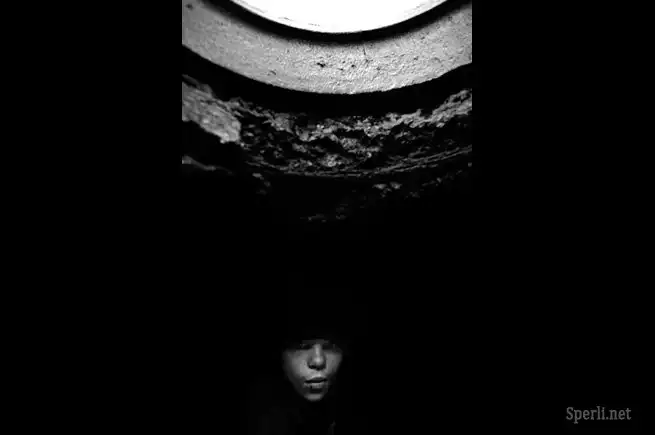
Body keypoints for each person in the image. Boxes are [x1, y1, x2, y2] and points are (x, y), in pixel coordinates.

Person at [244, 295, 366, 435]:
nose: (318, 361)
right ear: (278, 353)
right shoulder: (260, 416)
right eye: (302, 347)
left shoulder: (350, 403)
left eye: (330, 347)